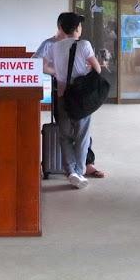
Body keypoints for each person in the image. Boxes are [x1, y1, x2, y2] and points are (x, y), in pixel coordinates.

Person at [35, 12, 104, 178]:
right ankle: (80, 171)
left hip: (62, 96)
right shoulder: (84, 44)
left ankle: (71, 171)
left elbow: (41, 64)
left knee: (65, 136)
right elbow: (97, 69)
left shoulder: (55, 46)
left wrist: (57, 72)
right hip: (81, 98)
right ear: (77, 28)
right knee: (82, 135)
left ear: (61, 28)